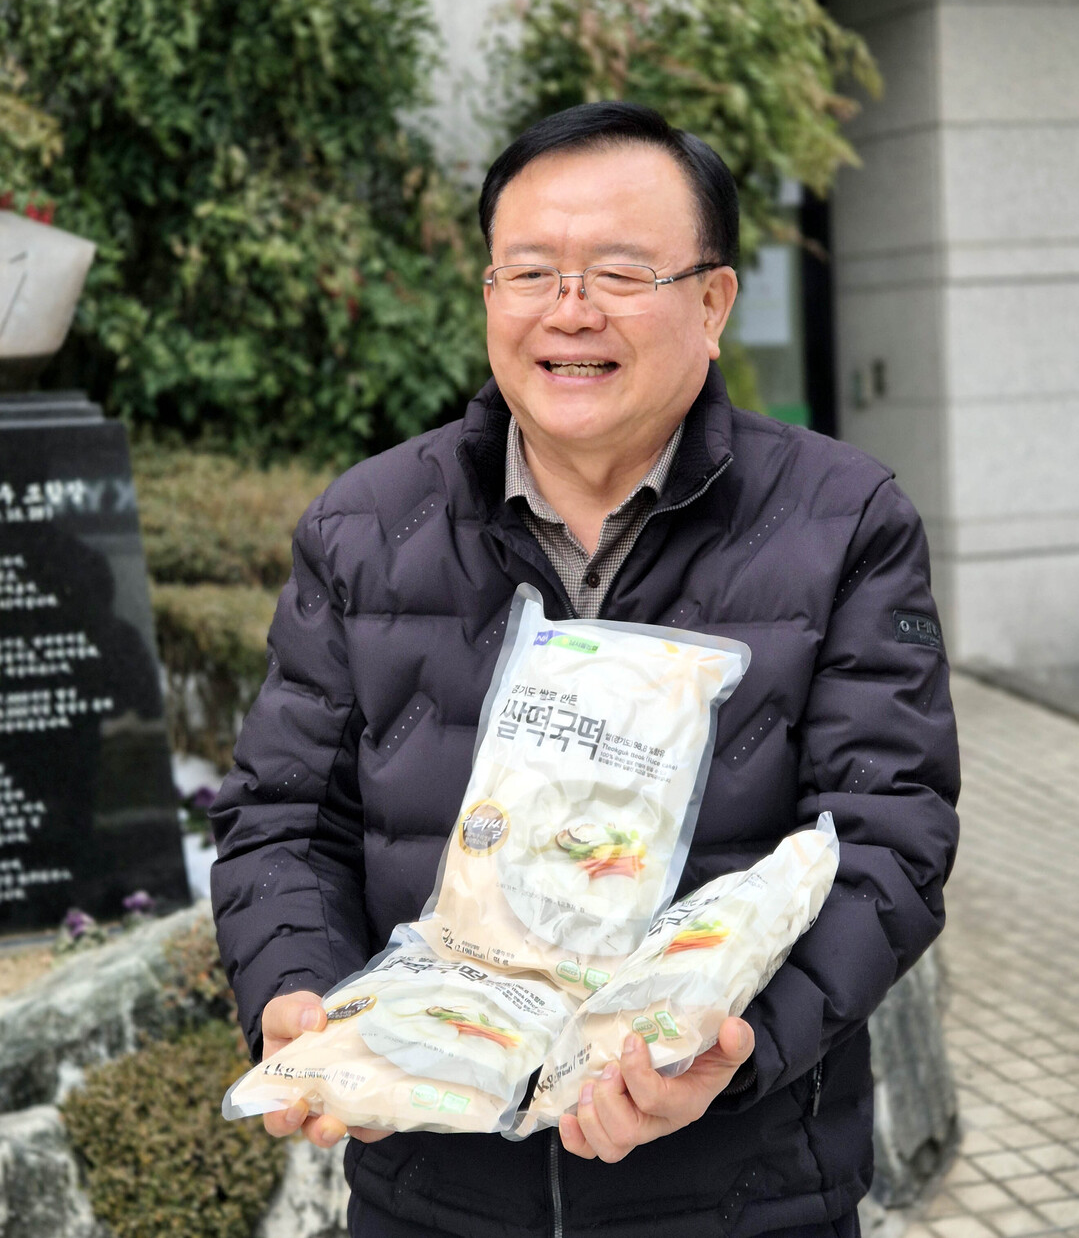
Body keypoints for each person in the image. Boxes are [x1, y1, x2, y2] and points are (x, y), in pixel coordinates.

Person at [210, 101, 961, 1238]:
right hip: (433, 1192)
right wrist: (298, 991)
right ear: (488, 295)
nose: (569, 310)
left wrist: (730, 1051)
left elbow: (886, 837)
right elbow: (283, 817)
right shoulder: (366, 526)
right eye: (529, 273)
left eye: (618, 272)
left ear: (712, 303)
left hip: (743, 1194)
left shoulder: (842, 521)